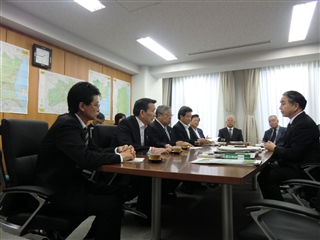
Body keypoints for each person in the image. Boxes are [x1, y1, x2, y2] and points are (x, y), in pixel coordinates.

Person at [35, 82, 136, 240]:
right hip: (56, 190)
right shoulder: (67, 125)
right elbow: (86, 158)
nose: (99, 109)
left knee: (118, 193)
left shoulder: (79, 125)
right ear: (82, 106)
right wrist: (121, 158)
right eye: (96, 104)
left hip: (73, 182)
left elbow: (94, 151)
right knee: (110, 205)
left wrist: (118, 150)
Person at [111, 98, 170, 225]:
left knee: (162, 171)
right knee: (151, 177)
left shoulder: (147, 126)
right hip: (122, 168)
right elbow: (128, 145)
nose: (155, 114)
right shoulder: (126, 123)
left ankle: (152, 209)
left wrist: (165, 145)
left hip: (139, 163)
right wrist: (153, 149)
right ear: (142, 113)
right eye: (153, 111)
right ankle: (145, 216)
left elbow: (153, 141)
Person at [258, 90, 320, 201]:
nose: (280, 107)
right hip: (296, 164)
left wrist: (275, 148)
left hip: (301, 168)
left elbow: (294, 153)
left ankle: (278, 208)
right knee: (266, 170)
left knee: (266, 177)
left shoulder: (303, 124)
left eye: (283, 103)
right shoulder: (296, 122)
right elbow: (288, 147)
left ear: (295, 106)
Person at [173, 106, 206, 194]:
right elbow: (181, 141)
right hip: (182, 153)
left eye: (190, 116)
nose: (189, 119)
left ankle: (195, 183)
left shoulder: (188, 127)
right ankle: (186, 185)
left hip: (190, 151)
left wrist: (198, 141)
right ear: (181, 117)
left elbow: (192, 139)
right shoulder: (177, 127)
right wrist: (196, 141)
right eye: (187, 116)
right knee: (187, 167)